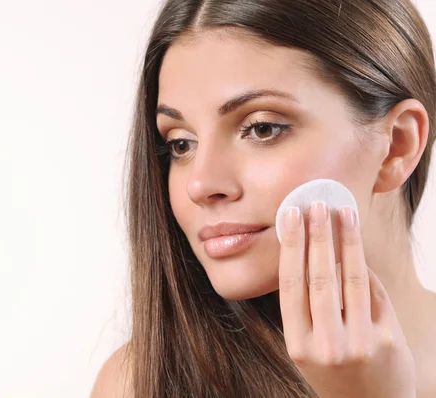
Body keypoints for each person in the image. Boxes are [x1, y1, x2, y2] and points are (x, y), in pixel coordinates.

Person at [91, 0, 436, 396]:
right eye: (181, 144)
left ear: (397, 145)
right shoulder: (139, 383)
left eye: (262, 129)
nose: (200, 185)